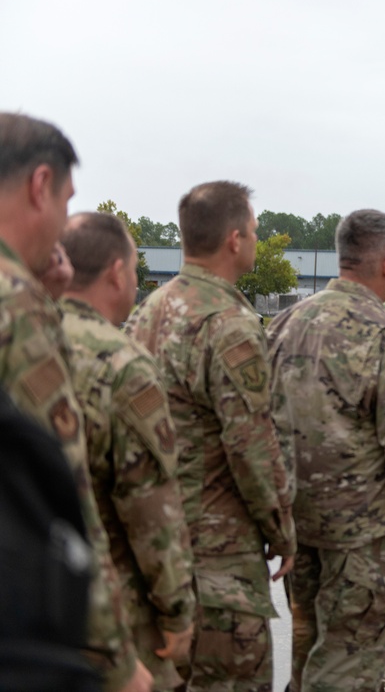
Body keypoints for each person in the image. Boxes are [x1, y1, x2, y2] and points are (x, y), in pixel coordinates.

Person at [0, 112, 152, 692]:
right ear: (40, 186)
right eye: (65, 201)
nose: (64, 224)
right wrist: (115, 657)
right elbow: (66, 492)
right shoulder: (20, 306)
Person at [267, 209, 385, 692]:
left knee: (307, 655)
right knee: (349, 664)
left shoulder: (284, 325)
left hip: (297, 529)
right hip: (363, 540)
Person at [127, 181, 295, 692]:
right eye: (255, 230)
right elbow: (251, 443)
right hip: (216, 557)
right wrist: (281, 527)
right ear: (235, 239)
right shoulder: (229, 323)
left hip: (153, 548)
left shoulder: (147, 313)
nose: (256, 239)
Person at [60, 212, 196, 692]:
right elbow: (150, 510)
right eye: (136, 270)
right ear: (117, 273)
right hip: (114, 609)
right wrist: (177, 612)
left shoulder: (22, 337)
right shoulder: (123, 366)